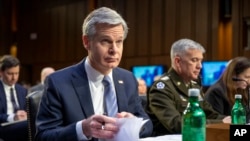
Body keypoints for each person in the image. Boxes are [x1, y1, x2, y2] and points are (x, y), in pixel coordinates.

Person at [35, 7, 153, 141]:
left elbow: (147, 124)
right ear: (86, 42)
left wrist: (134, 124)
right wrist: (82, 129)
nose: (114, 50)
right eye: (106, 41)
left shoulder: (128, 78)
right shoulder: (58, 83)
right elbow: (43, 136)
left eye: (119, 41)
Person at [145, 38, 231, 136]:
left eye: (200, 61)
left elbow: (210, 114)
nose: (200, 66)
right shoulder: (162, 88)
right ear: (177, 61)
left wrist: (230, 120)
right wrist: (220, 123)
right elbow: (176, 124)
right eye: (194, 60)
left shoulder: (194, 86)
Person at [204, 57, 250, 121]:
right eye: (247, 77)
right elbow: (215, 118)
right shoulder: (216, 91)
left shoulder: (243, 90)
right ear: (234, 75)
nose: (249, 81)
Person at [0, 55, 28, 141]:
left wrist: (26, 115)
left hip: (21, 124)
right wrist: (13, 117)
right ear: (1, 72)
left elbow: (27, 110)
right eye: (10, 73)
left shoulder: (22, 90)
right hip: (3, 126)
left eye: (17, 73)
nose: (14, 78)